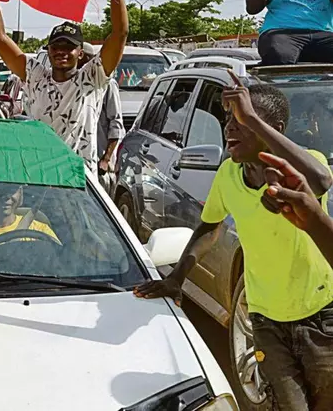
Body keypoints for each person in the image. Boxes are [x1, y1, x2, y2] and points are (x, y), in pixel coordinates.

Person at [134, 73, 333, 410]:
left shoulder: (304, 165)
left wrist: (250, 117)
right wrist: (176, 278)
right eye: (228, 120)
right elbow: (208, 227)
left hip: (320, 316)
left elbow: (321, 181)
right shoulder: (228, 174)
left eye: (241, 121)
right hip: (266, 320)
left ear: (274, 129)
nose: (229, 128)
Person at [0, 0, 128, 173]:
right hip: (39, 177)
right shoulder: (35, 76)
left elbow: (120, 33)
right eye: (56, 46)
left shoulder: (92, 79)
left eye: (69, 47)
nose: (62, 51)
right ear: (48, 50)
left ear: (80, 53)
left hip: (80, 180)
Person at [260, 152, 333, 265]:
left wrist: (314, 220)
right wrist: (313, 220)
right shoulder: (231, 171)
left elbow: (322, 180)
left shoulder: (313, 159)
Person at [80, 43, 124, 187]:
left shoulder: (108, 84)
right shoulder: (75, 84)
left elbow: (116, 124)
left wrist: (106, 159)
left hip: (99, 163)